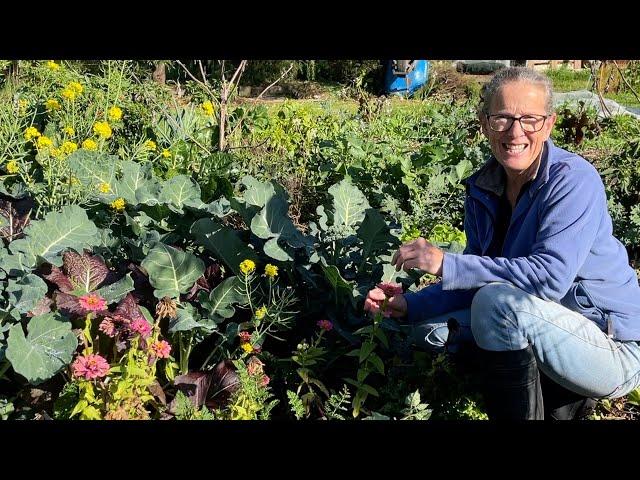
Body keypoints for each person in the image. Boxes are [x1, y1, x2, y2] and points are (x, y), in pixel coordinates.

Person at [365, 66, 640, 420]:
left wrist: (446, 263)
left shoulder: (573, 182)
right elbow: (476, 277)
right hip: (542, 322)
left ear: (550, 124)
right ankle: (544, 393)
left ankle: (555, 399)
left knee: (495, 304)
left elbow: (549, 278)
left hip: (610, 345)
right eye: (502, 118)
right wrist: (409, 304)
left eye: (530, 119)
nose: (515, 132)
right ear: (484, 123)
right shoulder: (485, 188)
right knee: (428, 332)